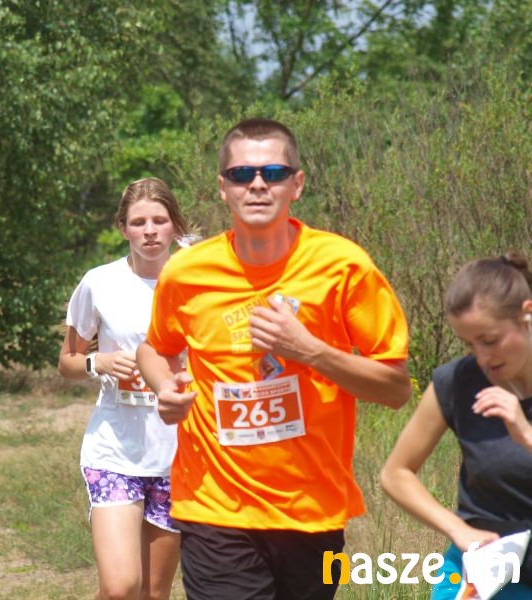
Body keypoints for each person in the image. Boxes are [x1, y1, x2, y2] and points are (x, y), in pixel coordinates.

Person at [136, 117, 413, 599]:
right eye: (242, 174)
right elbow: (155, 348)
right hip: (213, 507)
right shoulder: (186, 272)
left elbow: (395, 389)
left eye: (274, 173)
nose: (258, 184)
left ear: (297, 184)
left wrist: (309, 350)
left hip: (312, 510)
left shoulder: (343, 266)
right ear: (223, 188)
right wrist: (164, 386)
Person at [58, 177, 189, 600]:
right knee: (120, 588)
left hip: (177, 454)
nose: (150, 231)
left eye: (159, 220)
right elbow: (68, 361)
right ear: (122, 228)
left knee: (153, 594)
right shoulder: (100, 282)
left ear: (175, 225)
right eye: (138, 222)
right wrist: (99, 362)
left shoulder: (198, 282)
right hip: (114, 449)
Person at [381, 254, 532, 599]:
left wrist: (525, 434)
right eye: (469, 344)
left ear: (527, 313)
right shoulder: (459, 381)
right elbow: (395, 473)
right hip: (478, 575)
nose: (482, 358)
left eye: (490, 340)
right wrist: (458, 530)